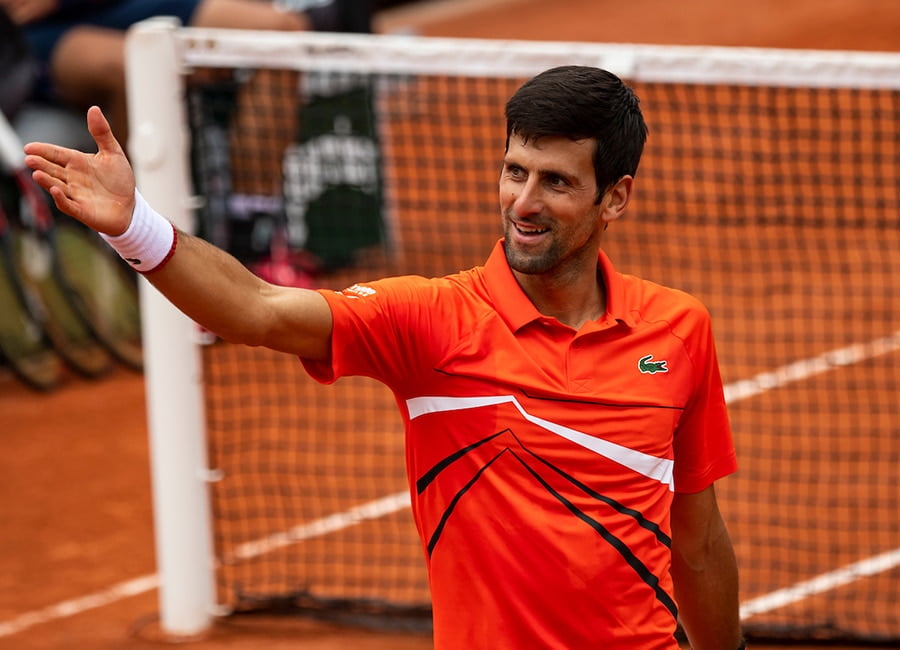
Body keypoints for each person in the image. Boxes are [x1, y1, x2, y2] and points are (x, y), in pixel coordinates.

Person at [23, 65, 744, 649]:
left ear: (614, 198)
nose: (523, 201)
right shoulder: (431, 322)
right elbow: (257, 310)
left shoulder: (679, 331)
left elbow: (700, 541)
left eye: (556, 182)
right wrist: (135, 228)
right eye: (514, 171)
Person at [2, 0, 372, 144]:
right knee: (136, 66)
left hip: (122, 6)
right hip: (31, 36)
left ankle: (251, 225)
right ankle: (135, 230)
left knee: (281, 32)